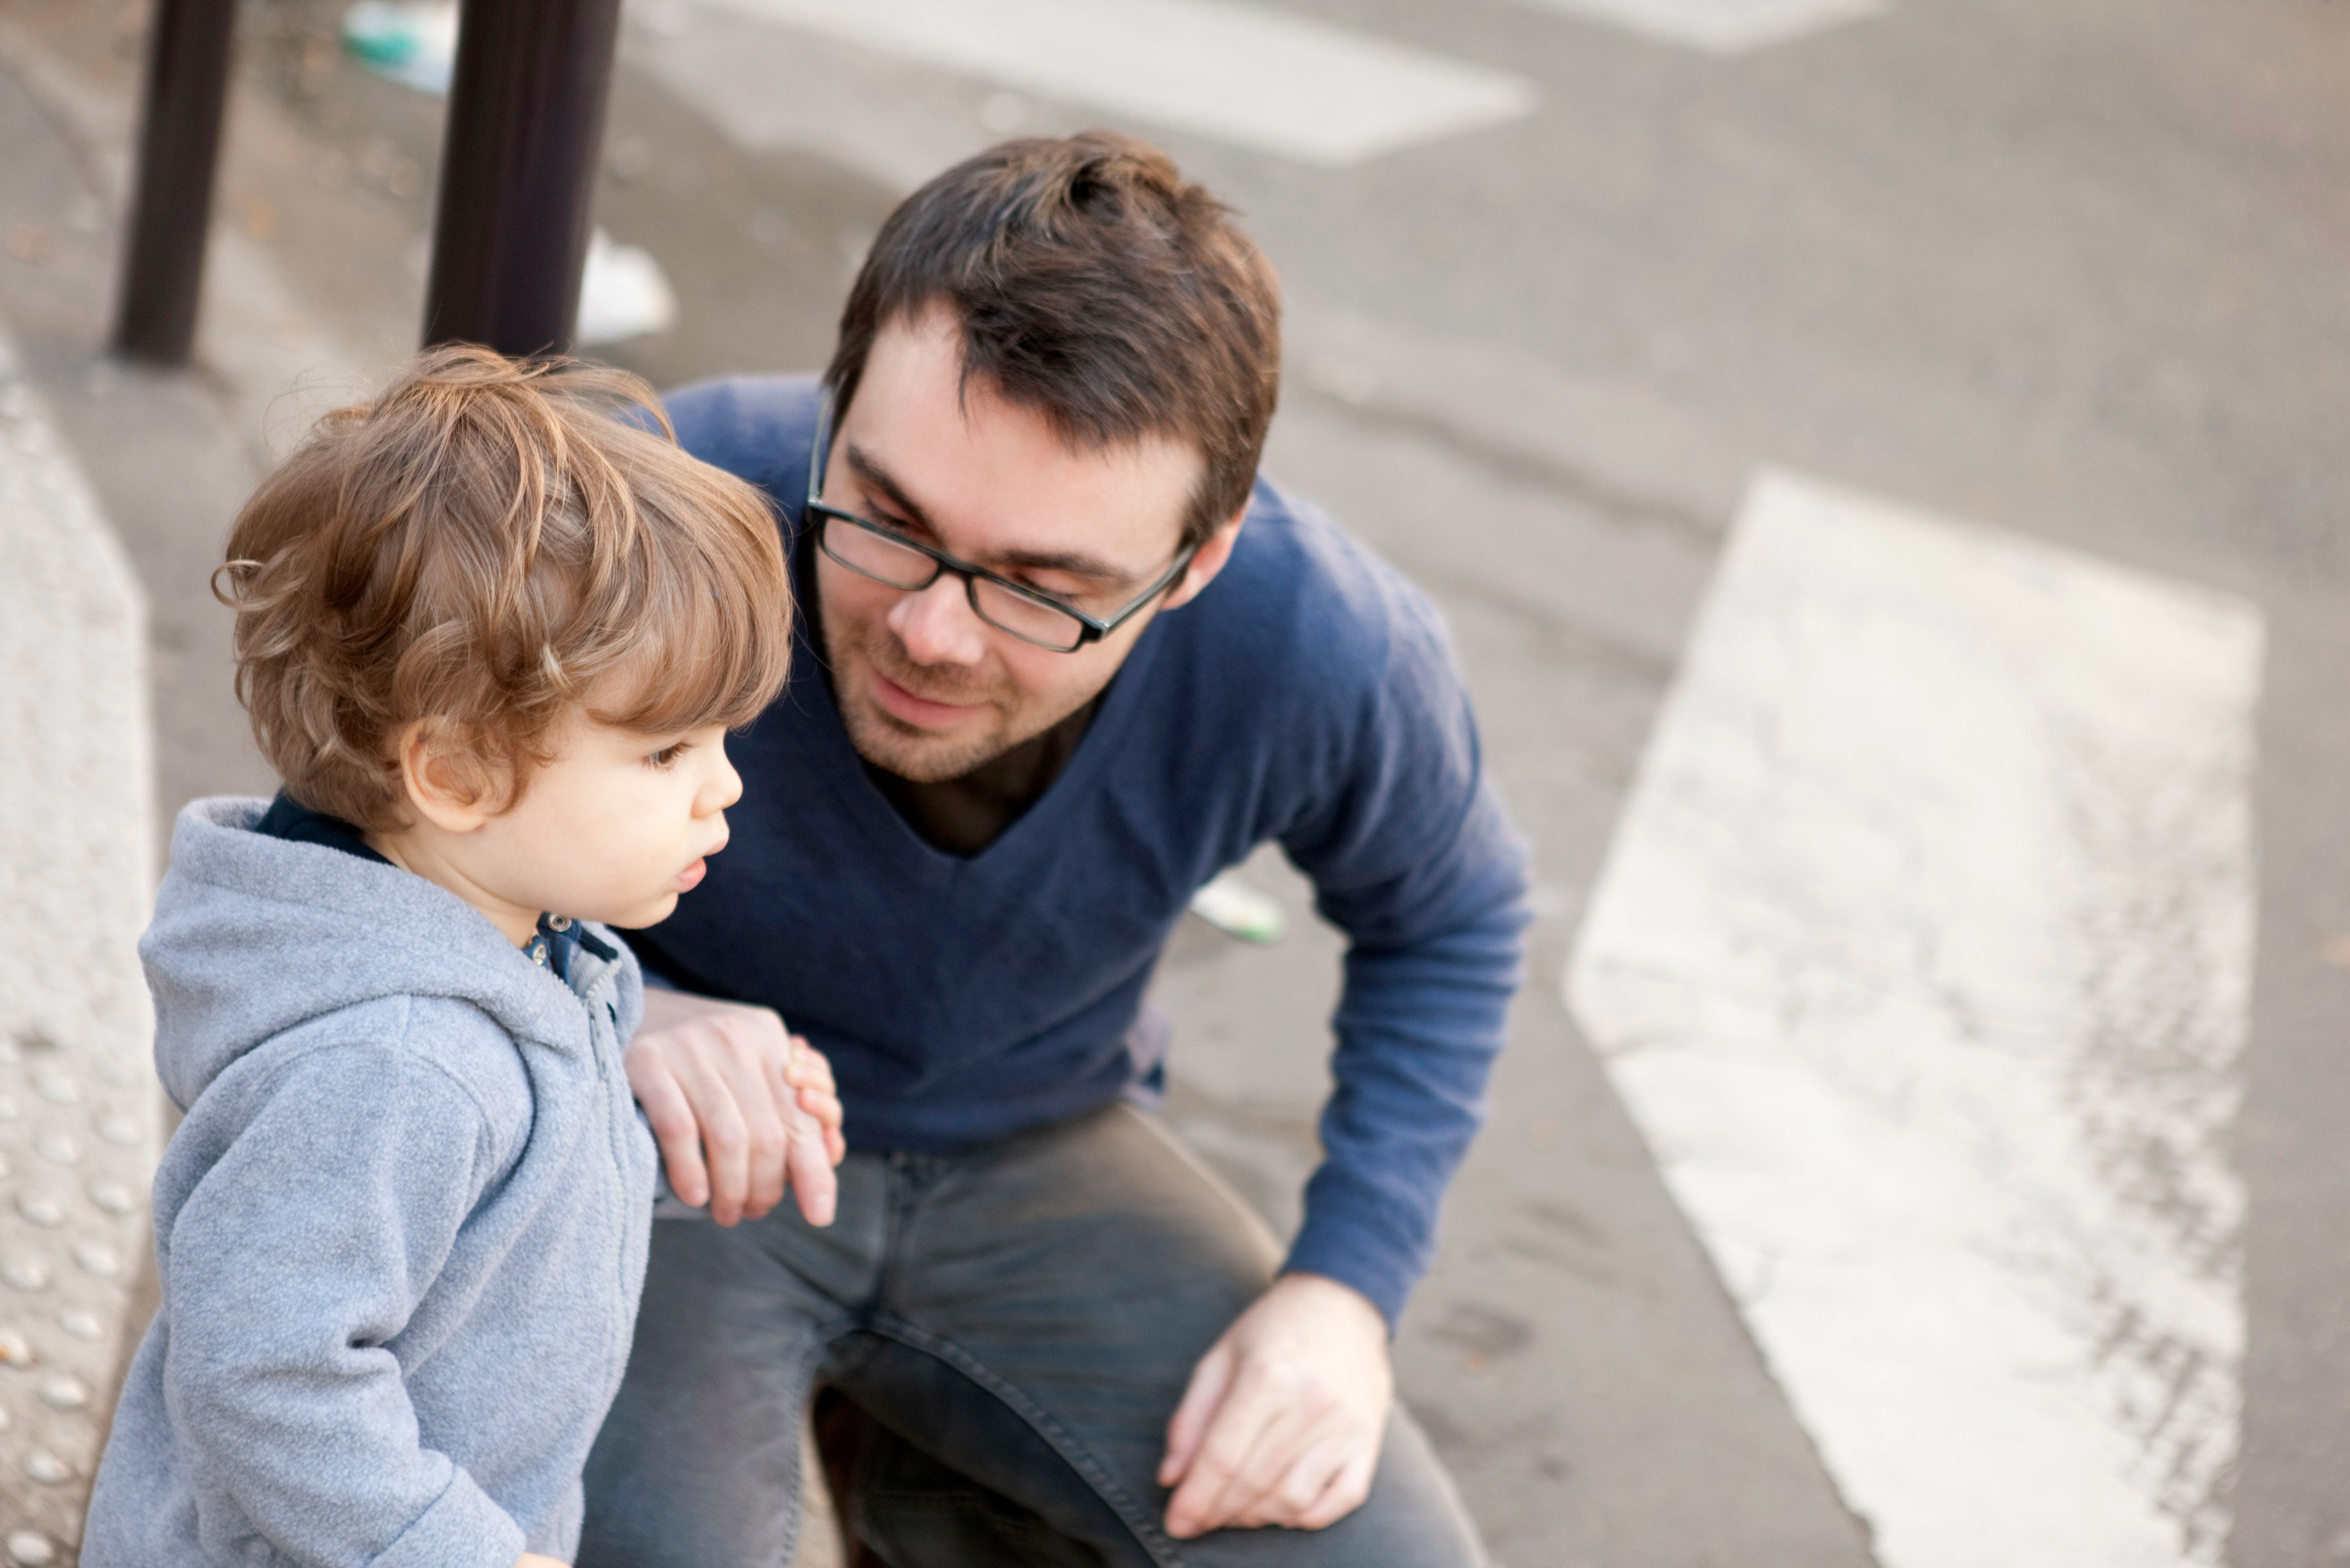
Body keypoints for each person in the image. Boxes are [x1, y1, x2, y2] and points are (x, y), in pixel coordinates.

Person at [579, 133, 1529, 1568]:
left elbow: (1453, 916)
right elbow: (351, 853)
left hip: (1036, 1144)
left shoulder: (1316, 640)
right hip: (669, 1141)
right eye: (889, 520)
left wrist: (1346, 1289)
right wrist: (609, 1005)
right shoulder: (669, 500)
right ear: (836, 409)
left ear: (1197, 561)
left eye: (1047, 588)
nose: (932, 631)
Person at [81, 348, 841, 1568]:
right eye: (666, 753)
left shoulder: (538, 944)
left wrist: (646, 1147)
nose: (727, 785)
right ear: (456, 772)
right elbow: (265, 1368)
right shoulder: (396, 1063)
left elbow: (489, 1212)